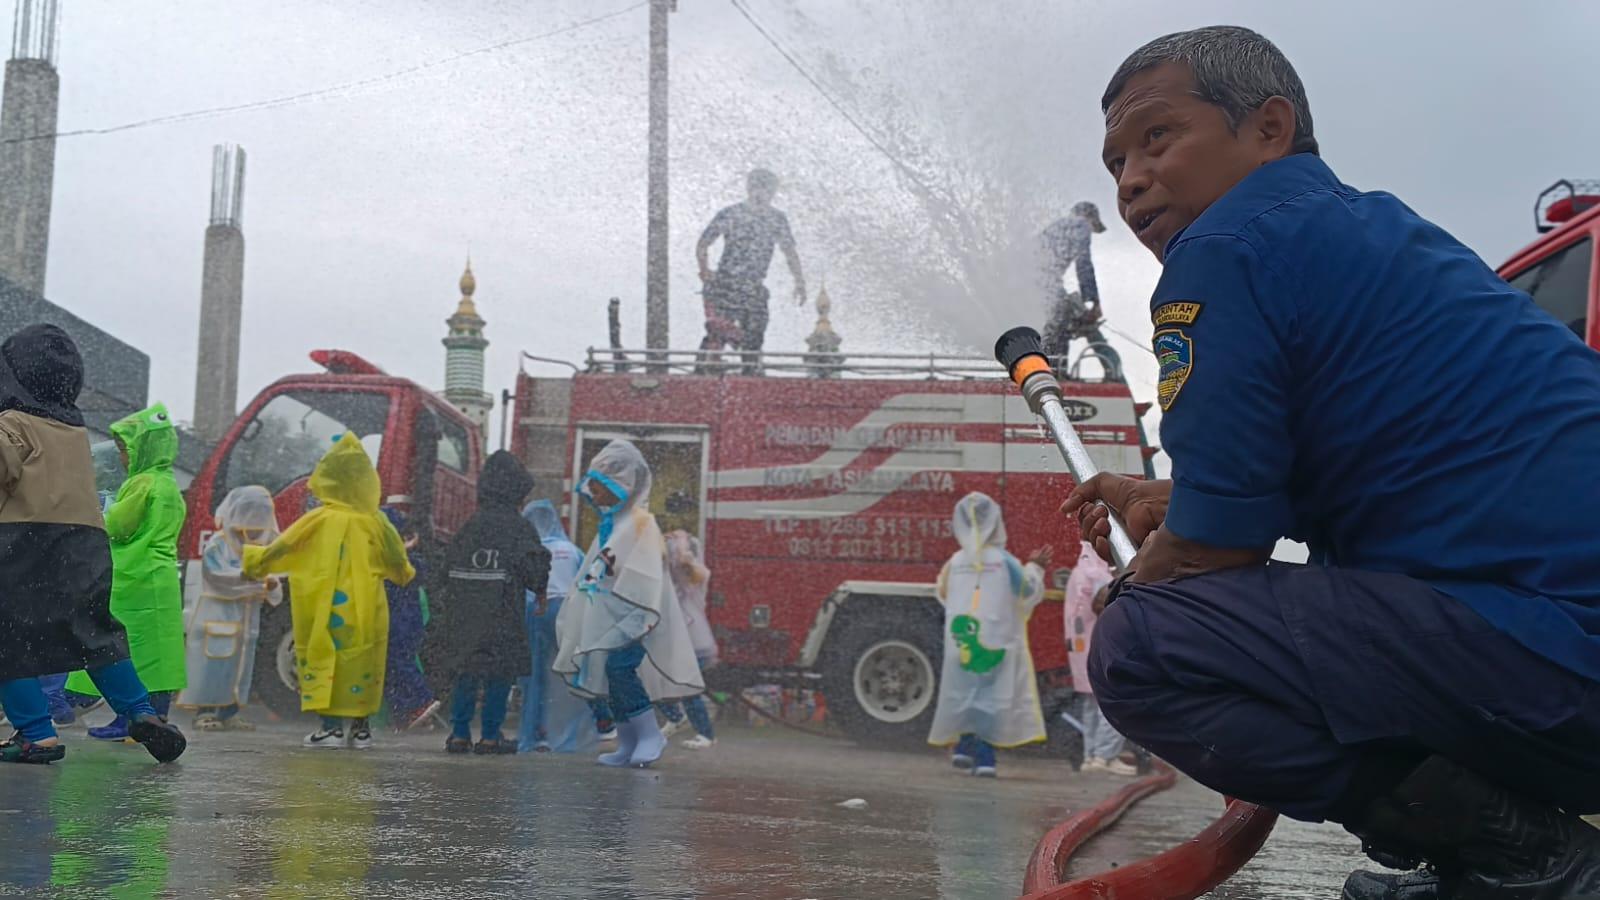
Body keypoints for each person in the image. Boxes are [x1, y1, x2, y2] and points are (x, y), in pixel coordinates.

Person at [1065, 26, 1600, 898]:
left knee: (1145, 642)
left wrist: (1167, 556)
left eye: (1157, 137)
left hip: (1565, 664)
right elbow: (1371, 470)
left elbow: (1216, 549)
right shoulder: (1372, 231)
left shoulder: (1223, 247)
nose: (1130, 180)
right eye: (1116, 160)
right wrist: (1176, 500)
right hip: (1563, 648)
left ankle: (1526, 861)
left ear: (1269, 129)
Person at [0, 324, 185, 764]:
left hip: (25, 540)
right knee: (93, 634)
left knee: (9, 641)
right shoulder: (74, 430)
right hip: (83, 544)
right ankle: (141, 711)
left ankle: (35, 733)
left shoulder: (13, 423)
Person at [242, 433, 414, 750]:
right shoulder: (376, 521)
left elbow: (283, 546)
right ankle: (360, 729)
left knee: (324, 658)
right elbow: (398, 561)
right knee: (362, 661)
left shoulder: (318, 518)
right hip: (366, 606)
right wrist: (402, 574)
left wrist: (254, 562)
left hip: (323, 604)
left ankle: (331, 728)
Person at [552, 440, 705, 768]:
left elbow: (646, 571)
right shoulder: (613, 524)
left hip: (631, 615)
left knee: (621, 670)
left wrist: (632, 607)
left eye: (599, 485)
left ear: (620, 486)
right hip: (609, 615)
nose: (593, 492)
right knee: (610, 673)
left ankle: (649, 733)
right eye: (591, 485)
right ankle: (628, 740)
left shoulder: (640, 522)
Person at [65, 402, 189, 741]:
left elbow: (119, 526)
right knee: (158, 653)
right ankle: (157, 716)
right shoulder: (168, 485)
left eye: (125, 449)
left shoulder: (141, 483)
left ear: (143, 448)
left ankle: (130, 719)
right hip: (160, 577)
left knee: (121, 647)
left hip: (134, 576)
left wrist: (101, 511)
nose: (122, 457)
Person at [426, 451, 550, 755]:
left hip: (465, 613)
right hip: (502, 612)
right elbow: (532, 565)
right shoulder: (519, 527)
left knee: (466, 671)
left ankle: (458, 734)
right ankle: (491, 736)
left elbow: (444, 569)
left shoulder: (470, 526)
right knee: (499, 673)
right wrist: (541, 591)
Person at [926, 492, 1050, 778]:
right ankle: (985, 759)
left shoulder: (955, 562)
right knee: (991, 700)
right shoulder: (1003, 561)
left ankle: (962, 750)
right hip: (995, 643)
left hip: (960, 643)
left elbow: (943, 594)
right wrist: (1035, 567)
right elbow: (1027, 592)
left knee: (964, 695)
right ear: (995, 523)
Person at [175, 485, 282, 731]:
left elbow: (276, 576)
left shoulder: (268, 544)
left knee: (240, 667)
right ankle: (205, 711)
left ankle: (230, 711)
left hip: (246, 620)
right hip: (218, 616)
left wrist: (271, 583)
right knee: (212, 665)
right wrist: (246, 577)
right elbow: (215, 575)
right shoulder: (219, 543)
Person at [695, 168, 807, 375]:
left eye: (766, 189)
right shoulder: (731, 214)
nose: (761, 194)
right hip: (726, 284)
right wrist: (705, 271)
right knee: (717, 332)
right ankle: (703, 374)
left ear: (773, 192)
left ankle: (750, 374)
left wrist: (800, 281)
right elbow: (703, 244)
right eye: (757, 188)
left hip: (753, 286)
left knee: (754, 334)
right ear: (749, 188)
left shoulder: (776, 219)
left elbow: (790, 252)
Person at [518, 498, 593, 753]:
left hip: (536, 611)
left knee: (535, 678)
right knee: (572, 675)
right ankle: (573, 734)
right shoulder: (571, 550)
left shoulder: (531, 549)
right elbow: (585, 584)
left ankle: (536, 734)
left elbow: (524, 587)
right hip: (567, 613)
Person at [1061, 541, 1132, 776]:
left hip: (1080, 651)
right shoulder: (1099, 575)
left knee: (1090, 705)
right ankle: (1105, 756)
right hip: (1099, 647)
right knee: (1113, 702)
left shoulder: (1078, 573)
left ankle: (1090, 756)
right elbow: (1108, 604)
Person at [656, 529, 718, 750]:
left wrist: (681, 545)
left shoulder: (695, 573)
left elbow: (690, 567)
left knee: (688, 688)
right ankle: (676, 718)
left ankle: (705, 734)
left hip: (694, 641)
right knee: (656, 680)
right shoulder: (669, 580)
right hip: (679, 639)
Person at [380, 506, 438, 731]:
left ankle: (422, 700)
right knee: (394, 667)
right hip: (406, 622)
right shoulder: (406, 559)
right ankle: (403, 714)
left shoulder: (401, 561)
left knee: (398, 663)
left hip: (400, 623)